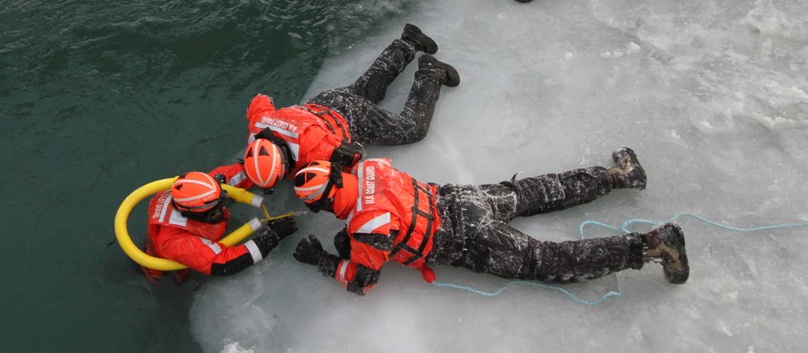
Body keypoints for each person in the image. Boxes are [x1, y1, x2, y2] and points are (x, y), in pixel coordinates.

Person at [290, 148, 689, 295]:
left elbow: (363, 280)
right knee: (533, 192)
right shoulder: (370, 168)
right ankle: (617, 175)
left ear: (322, 205)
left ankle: (652, 244)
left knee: (547, 261)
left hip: (467, 240)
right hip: (462, 200)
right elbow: (351, 153)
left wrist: (322, 261)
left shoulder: (366, 230)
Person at [241, 23, 460, 190]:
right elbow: (260, 101)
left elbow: (354, 155)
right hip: (325, 102)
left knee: (413, 129)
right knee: (367, 90)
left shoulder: (314, 150)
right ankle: (409, 41)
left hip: (348, 116)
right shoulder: (259, 124)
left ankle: (431, 73)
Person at [141, 162, 298, 283]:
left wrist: (271, 166)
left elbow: (242, 172)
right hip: (169, 273)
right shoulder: (177, 241)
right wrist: (271, 236)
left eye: (220, 202)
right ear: (193, 213)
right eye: (215, 208)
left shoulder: (203, 189)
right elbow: (224, 264)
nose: (221, 209)